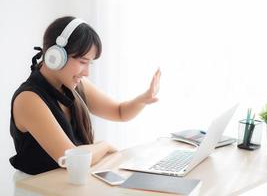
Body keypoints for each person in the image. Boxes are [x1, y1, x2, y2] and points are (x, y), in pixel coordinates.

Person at [9, 16, 161, 175]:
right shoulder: (28, 99)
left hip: (70, 183)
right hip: (38, 189)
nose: (87, 72)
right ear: (56, 56)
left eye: (90, 63)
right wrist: (105, 146)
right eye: (82, 62)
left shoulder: (75, 85)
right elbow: (70, 158)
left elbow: (119, 112)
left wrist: (144, 98)